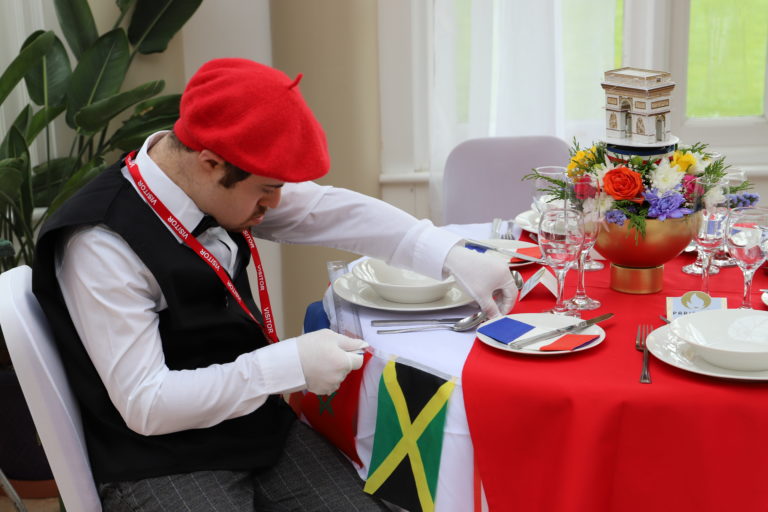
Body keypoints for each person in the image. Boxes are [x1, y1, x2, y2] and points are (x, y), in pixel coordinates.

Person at [32, 58, 517, 511]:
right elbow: (147, 405)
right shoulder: (100, 244)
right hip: (156, 457)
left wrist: (448, 254)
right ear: (209, 163)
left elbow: (327, 210)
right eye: (267, 189)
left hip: (252, 427)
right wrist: (290, 365)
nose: (278, 202)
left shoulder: (214, 182)